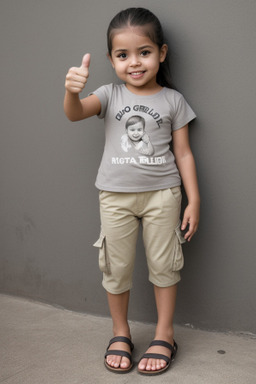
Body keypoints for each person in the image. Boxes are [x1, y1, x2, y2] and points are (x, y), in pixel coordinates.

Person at [64, 7, 200, 376]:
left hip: (164, 195)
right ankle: (120, 332)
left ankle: (164, 334)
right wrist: (72, 92)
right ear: (111, 59)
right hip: (115, 197)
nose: (134, 63)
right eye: (123, 55)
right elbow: (75, 114)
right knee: (116, 267)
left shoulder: (173, 101)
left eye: (144, 52)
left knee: (164, 266)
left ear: (162, 53)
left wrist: (194, 199)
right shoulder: (108, 94)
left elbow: (184, 153)